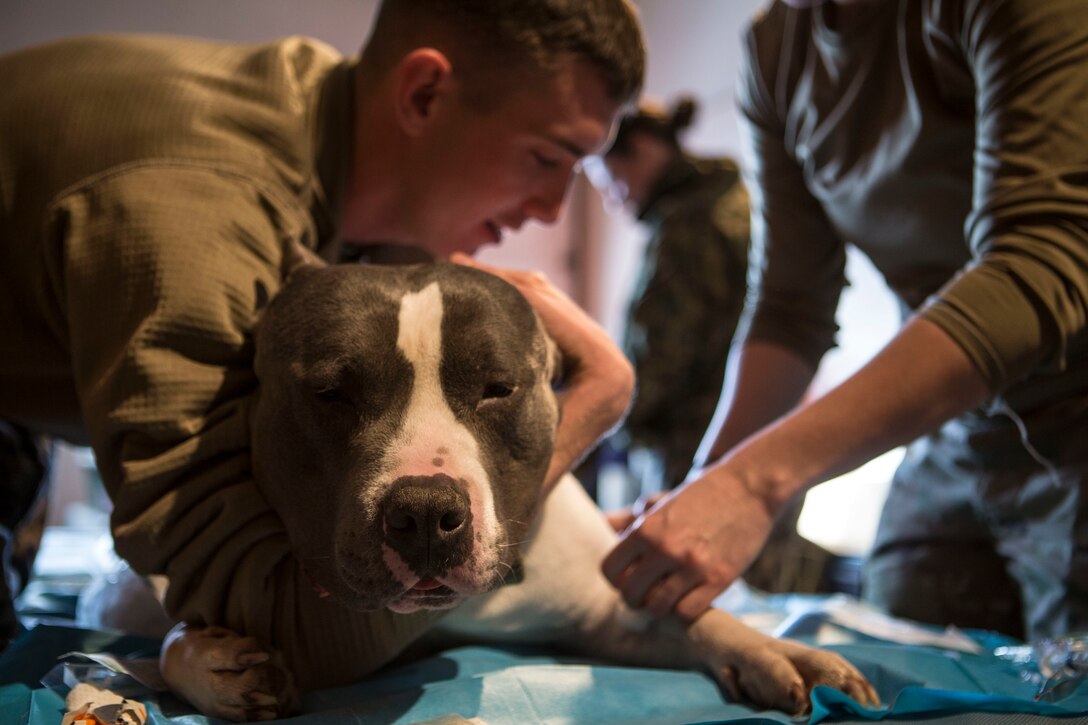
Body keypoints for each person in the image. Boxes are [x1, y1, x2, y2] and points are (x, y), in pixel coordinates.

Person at [0, 0, 643, 676]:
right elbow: (284, 630)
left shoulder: (311, 134)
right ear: (424, 93)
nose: (553, 208)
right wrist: (597, 399)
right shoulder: (199, 213)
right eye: (546, 157)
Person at [603, 0, 1088, 643]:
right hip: (958, 428)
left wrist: (755, 481)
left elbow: (1042, 263)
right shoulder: (776, 51)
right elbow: (790, 308)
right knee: (900, 657)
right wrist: (708, 483)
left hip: (1076, 413)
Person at [587, 96, 750, 498]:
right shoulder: (739, 205)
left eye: (611, 181)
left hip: (693, 458)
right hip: (754, 442)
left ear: (641, 149)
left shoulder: (685, 226)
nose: (613, 201)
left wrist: (602, 418)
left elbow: (660, 356)